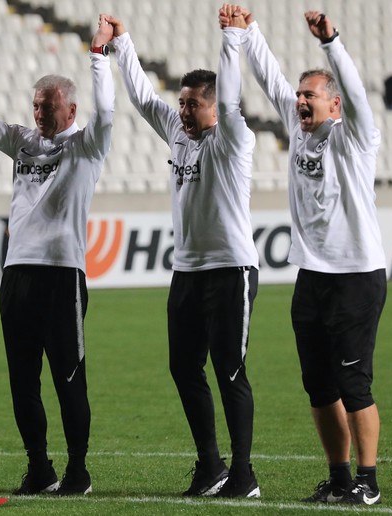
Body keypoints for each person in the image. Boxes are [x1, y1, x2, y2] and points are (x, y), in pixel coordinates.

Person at [0, 15, 114, 496]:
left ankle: (78, 470)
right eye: (35, 106)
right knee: (22, 379)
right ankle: (39, 467)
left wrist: (98, 58)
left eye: (48, 109)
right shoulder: (22, 141)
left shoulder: (87, 146)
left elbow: (108, 113)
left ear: (71, 111)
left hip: (61, 275)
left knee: (69, 376)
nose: (39, 116)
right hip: (17, 275)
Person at [106, 4, 261, 499]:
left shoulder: (234, 138)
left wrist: (232, 40)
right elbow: (142, 96)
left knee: (229, 370)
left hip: (231, 269)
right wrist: (121, 43)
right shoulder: (177, 131)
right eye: (183, 103)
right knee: (182, 367)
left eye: (193, 104)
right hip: (188, 272)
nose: (183, 111)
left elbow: (233, 97)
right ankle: (210, 465)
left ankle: (244, 474)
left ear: (214, 107)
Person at [236, 7, 387, 505]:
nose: (300, 101)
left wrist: (331, 42)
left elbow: (358, 93)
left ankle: (368, 481)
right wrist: (246, 30)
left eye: (311, 95)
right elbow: (267, 75)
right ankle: (340, 476)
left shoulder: (355, 137)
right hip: (313, 276)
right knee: (319, 387)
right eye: (300, 95)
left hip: (356, 276)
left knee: (353, 384)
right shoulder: (299, 128)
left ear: (335, 105)